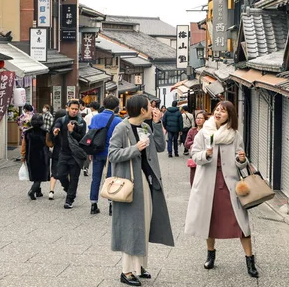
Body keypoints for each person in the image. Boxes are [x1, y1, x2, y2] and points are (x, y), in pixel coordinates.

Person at [184, 101, 258, 278]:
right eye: (217, 110)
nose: (218, 113)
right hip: (208, 183)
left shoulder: (234, 135)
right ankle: (210, 254)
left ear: (229, 116)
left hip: (229, 185)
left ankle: (250, 260)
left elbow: (241, 162)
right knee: (210, 221)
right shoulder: (203, 132)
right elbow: (195, 154)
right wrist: (206, 155)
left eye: (223, 112)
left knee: (242, 224)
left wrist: (241, 159)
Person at [109, 95, 174, 286]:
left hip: (147, 181)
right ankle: (126, 271)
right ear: (142, 110)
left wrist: (157, 123)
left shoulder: (145, 126)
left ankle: (139, 266)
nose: (152, 108)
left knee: (143, 225)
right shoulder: (122, 127)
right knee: (131, 227)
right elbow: (112, 154)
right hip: (130, 184)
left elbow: (160, 147)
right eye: (149, 106)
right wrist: (135, 148)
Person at [88, 95, 122, 215]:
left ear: (104, 104)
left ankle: (93, 204)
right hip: (111, 153)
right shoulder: (118, 120)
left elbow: (91, 133)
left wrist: (90, 152)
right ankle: (111, 205)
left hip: (97, 151)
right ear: (116, 106)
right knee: (110, 179)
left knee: (95, 178)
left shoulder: (95, 118)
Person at [52, 100, 87, 209]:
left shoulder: (81, 122)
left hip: (76, 154)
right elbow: (56, 125)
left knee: (74, 177)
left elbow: (82, 138)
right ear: (68, 108)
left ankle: (69, 199)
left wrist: (72, 132)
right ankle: (68, 189)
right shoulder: (62, 120)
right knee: (60, 174)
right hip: (64, 152)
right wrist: (55, 129)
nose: (74, 111)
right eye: (72, 109)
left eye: (76, 109)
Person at [21, 114, 50, 200]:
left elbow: (24, 145)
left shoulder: (27, 132)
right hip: (42, 156)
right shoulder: (45, 132)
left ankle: (38, 191)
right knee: (40, 176)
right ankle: (32, 190)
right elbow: (49, 144)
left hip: (30, 156)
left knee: (35, 174)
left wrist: (23, 155)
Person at [185, 110, 209, 186]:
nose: (198, 120)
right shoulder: (192, 131)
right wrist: (195, 143)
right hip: (194, 158)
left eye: (201, 118)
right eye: (197, 118)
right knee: (194, 181)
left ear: (205, 120)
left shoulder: (208, 132)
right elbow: (186, 144)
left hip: (206, 158)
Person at [47, 109, 67, 200]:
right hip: (66, 152)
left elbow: (51, 141)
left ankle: (51, 191)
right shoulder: (66, 126)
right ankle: (68, 188)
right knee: (67, 171)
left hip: (56, 151)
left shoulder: (53, 128)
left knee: (54, 172)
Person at [82, 101, 100, 177]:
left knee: (88, 152)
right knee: (97, 151)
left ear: (92, 107)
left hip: (89, 136)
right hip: (98, 136)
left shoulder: (88, 116)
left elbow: (85, 127)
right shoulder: (100, 115)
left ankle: (85, 167)